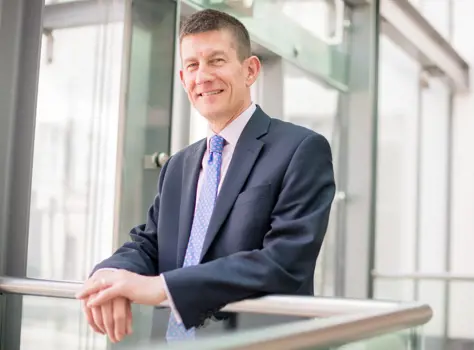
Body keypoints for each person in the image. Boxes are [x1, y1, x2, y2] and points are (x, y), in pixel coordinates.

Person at [75, 8, 335, 344]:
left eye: (216, 60)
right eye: (193, 66)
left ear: (250, 70)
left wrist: (161, 287)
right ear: (183, 79)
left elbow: (284, 261)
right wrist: (108, 275)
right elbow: (150, 242)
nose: (203, 76)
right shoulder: (178, 165)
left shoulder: (301, 148)